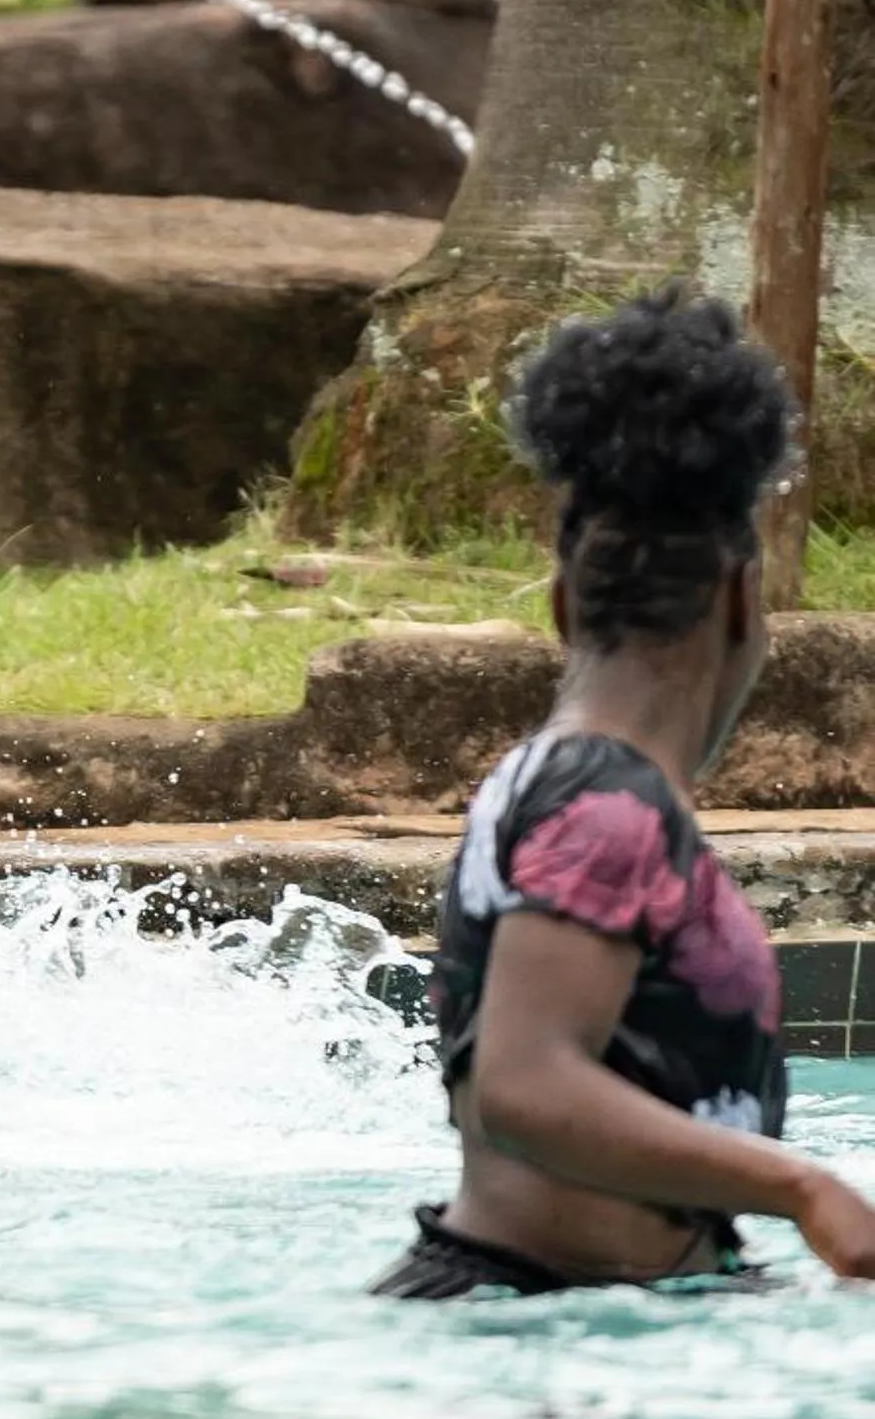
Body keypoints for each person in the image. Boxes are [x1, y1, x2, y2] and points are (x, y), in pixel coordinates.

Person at [373, 285, 875, 1298]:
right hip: (550, 1342)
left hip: (575, 1311)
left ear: (562, 604)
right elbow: (523, 1083)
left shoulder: (559, 782)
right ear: (743, 600)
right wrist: (809, 1188)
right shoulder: (607, 806)